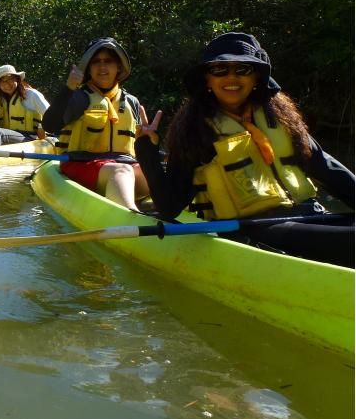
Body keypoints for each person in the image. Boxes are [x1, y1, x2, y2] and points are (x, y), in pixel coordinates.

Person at [135, 31, 354, 266]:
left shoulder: (279, 118)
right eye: (220, 69)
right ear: (207, 79)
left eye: (242, 69)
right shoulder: (195, 130)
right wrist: (147, 149)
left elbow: (326, 168)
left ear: (257, 77)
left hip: (310, 214)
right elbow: (169, 207)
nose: (231, 78)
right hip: (258, 230)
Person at [42, 37, 149, 210]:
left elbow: (139, 148)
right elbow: (50, 125)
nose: (102, 67)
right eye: (96, 62)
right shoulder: (79, 97)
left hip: (124, 164)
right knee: (122, 171)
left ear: (119, 67)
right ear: (88, 69)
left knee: (157, 173)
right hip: (81, 163)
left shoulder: (131, 102)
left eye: (108, 61)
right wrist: (69, 88)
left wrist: (151, 145)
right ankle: (130, 217)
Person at [0, 64, 50, 146]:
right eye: (2, 81)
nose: (7, 84)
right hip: (4, 138)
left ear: (17, 79)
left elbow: (51, 115)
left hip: (30, 138)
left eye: (10, 79)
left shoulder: (32, 95)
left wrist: (41, 127)